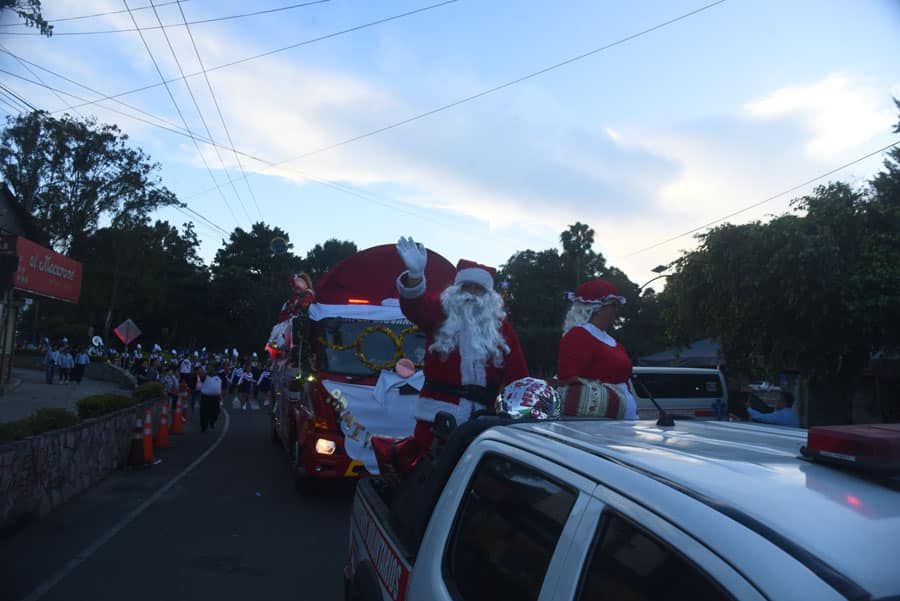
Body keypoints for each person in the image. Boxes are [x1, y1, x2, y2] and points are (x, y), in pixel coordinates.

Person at [395, 236, 528, 454]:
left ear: (489, 296)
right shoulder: (440, 314)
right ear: (457, 290)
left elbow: (518, 377)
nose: (472, 295)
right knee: (428, 477)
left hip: (482, 424)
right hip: (435, 421)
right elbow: (414, 307)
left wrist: (524, 412)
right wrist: (415, 277)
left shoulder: (501, 329)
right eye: (467, 287)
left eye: (479, 289)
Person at [557, 279, 639, 420]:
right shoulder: (578, 336)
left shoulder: (614, 342)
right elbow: (568, 380)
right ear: (597, 308)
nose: (616, 310)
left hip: (622, 418)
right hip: (596, 422)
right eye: (613, 305)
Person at [198, 363, 223, 432]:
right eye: (210, 369)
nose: (212, 371)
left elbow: (219, 389)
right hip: (205, 397)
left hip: (215, 398)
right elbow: (201, 375)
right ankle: (204, 426)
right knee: (204, 412)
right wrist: (206, 372)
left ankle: (212, 422)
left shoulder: (218, 378)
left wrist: (221, 399)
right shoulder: (205, 377)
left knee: (216, 412)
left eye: (213, 369)